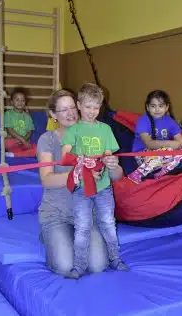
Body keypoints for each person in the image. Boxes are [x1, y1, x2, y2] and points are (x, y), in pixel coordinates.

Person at [37, 89, 124, 278]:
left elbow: (116, 176)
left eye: (71, 107)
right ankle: (49, 235)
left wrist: (113, 165)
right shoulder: (48, 139)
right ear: (53, 115)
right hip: (57, 213)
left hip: (86, 211)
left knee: (98, 265)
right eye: (63, 110)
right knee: (64, 265)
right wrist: (79, 175)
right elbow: (47, 179)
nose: (70, 113)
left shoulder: (97, 132)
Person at [61, 83, 129, 279]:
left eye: (96, 107)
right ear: (79, 105)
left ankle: (115, 258)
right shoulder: (74, 130)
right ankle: (79, 266)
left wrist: (109, 162)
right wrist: (84, 165)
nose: (92, 112)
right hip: (81, 188)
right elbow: (66, 156)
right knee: (82, 226)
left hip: (103, 187)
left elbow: (109, 155)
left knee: (108, 222)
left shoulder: (105, 129)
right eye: (88, 106)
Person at [128, 89, 182, 184]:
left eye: (161, 106)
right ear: (147, 107)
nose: (157, 109)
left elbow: (180, 140)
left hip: (163, 155)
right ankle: (138, 173)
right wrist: (171, 144)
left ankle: (165, 170)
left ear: (166, 107)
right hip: (143, 155)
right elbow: (149, 144)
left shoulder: (169, 120)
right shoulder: (143, 120)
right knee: (168, 150)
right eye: (153, 106)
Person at [4, 87, 36, 157]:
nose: (20, 102)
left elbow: (29, 131)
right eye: (17, 100)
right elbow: (10, 130)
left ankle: (14, 154)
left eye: (23, 100)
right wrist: (22, 140)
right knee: (7, 142)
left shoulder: (27, 116)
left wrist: (24, 140)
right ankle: (18, 153)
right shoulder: (8, 114)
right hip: (12, 140)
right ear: (12, 102)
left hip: (23, 142)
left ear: (25, 102)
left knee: (38, 149)